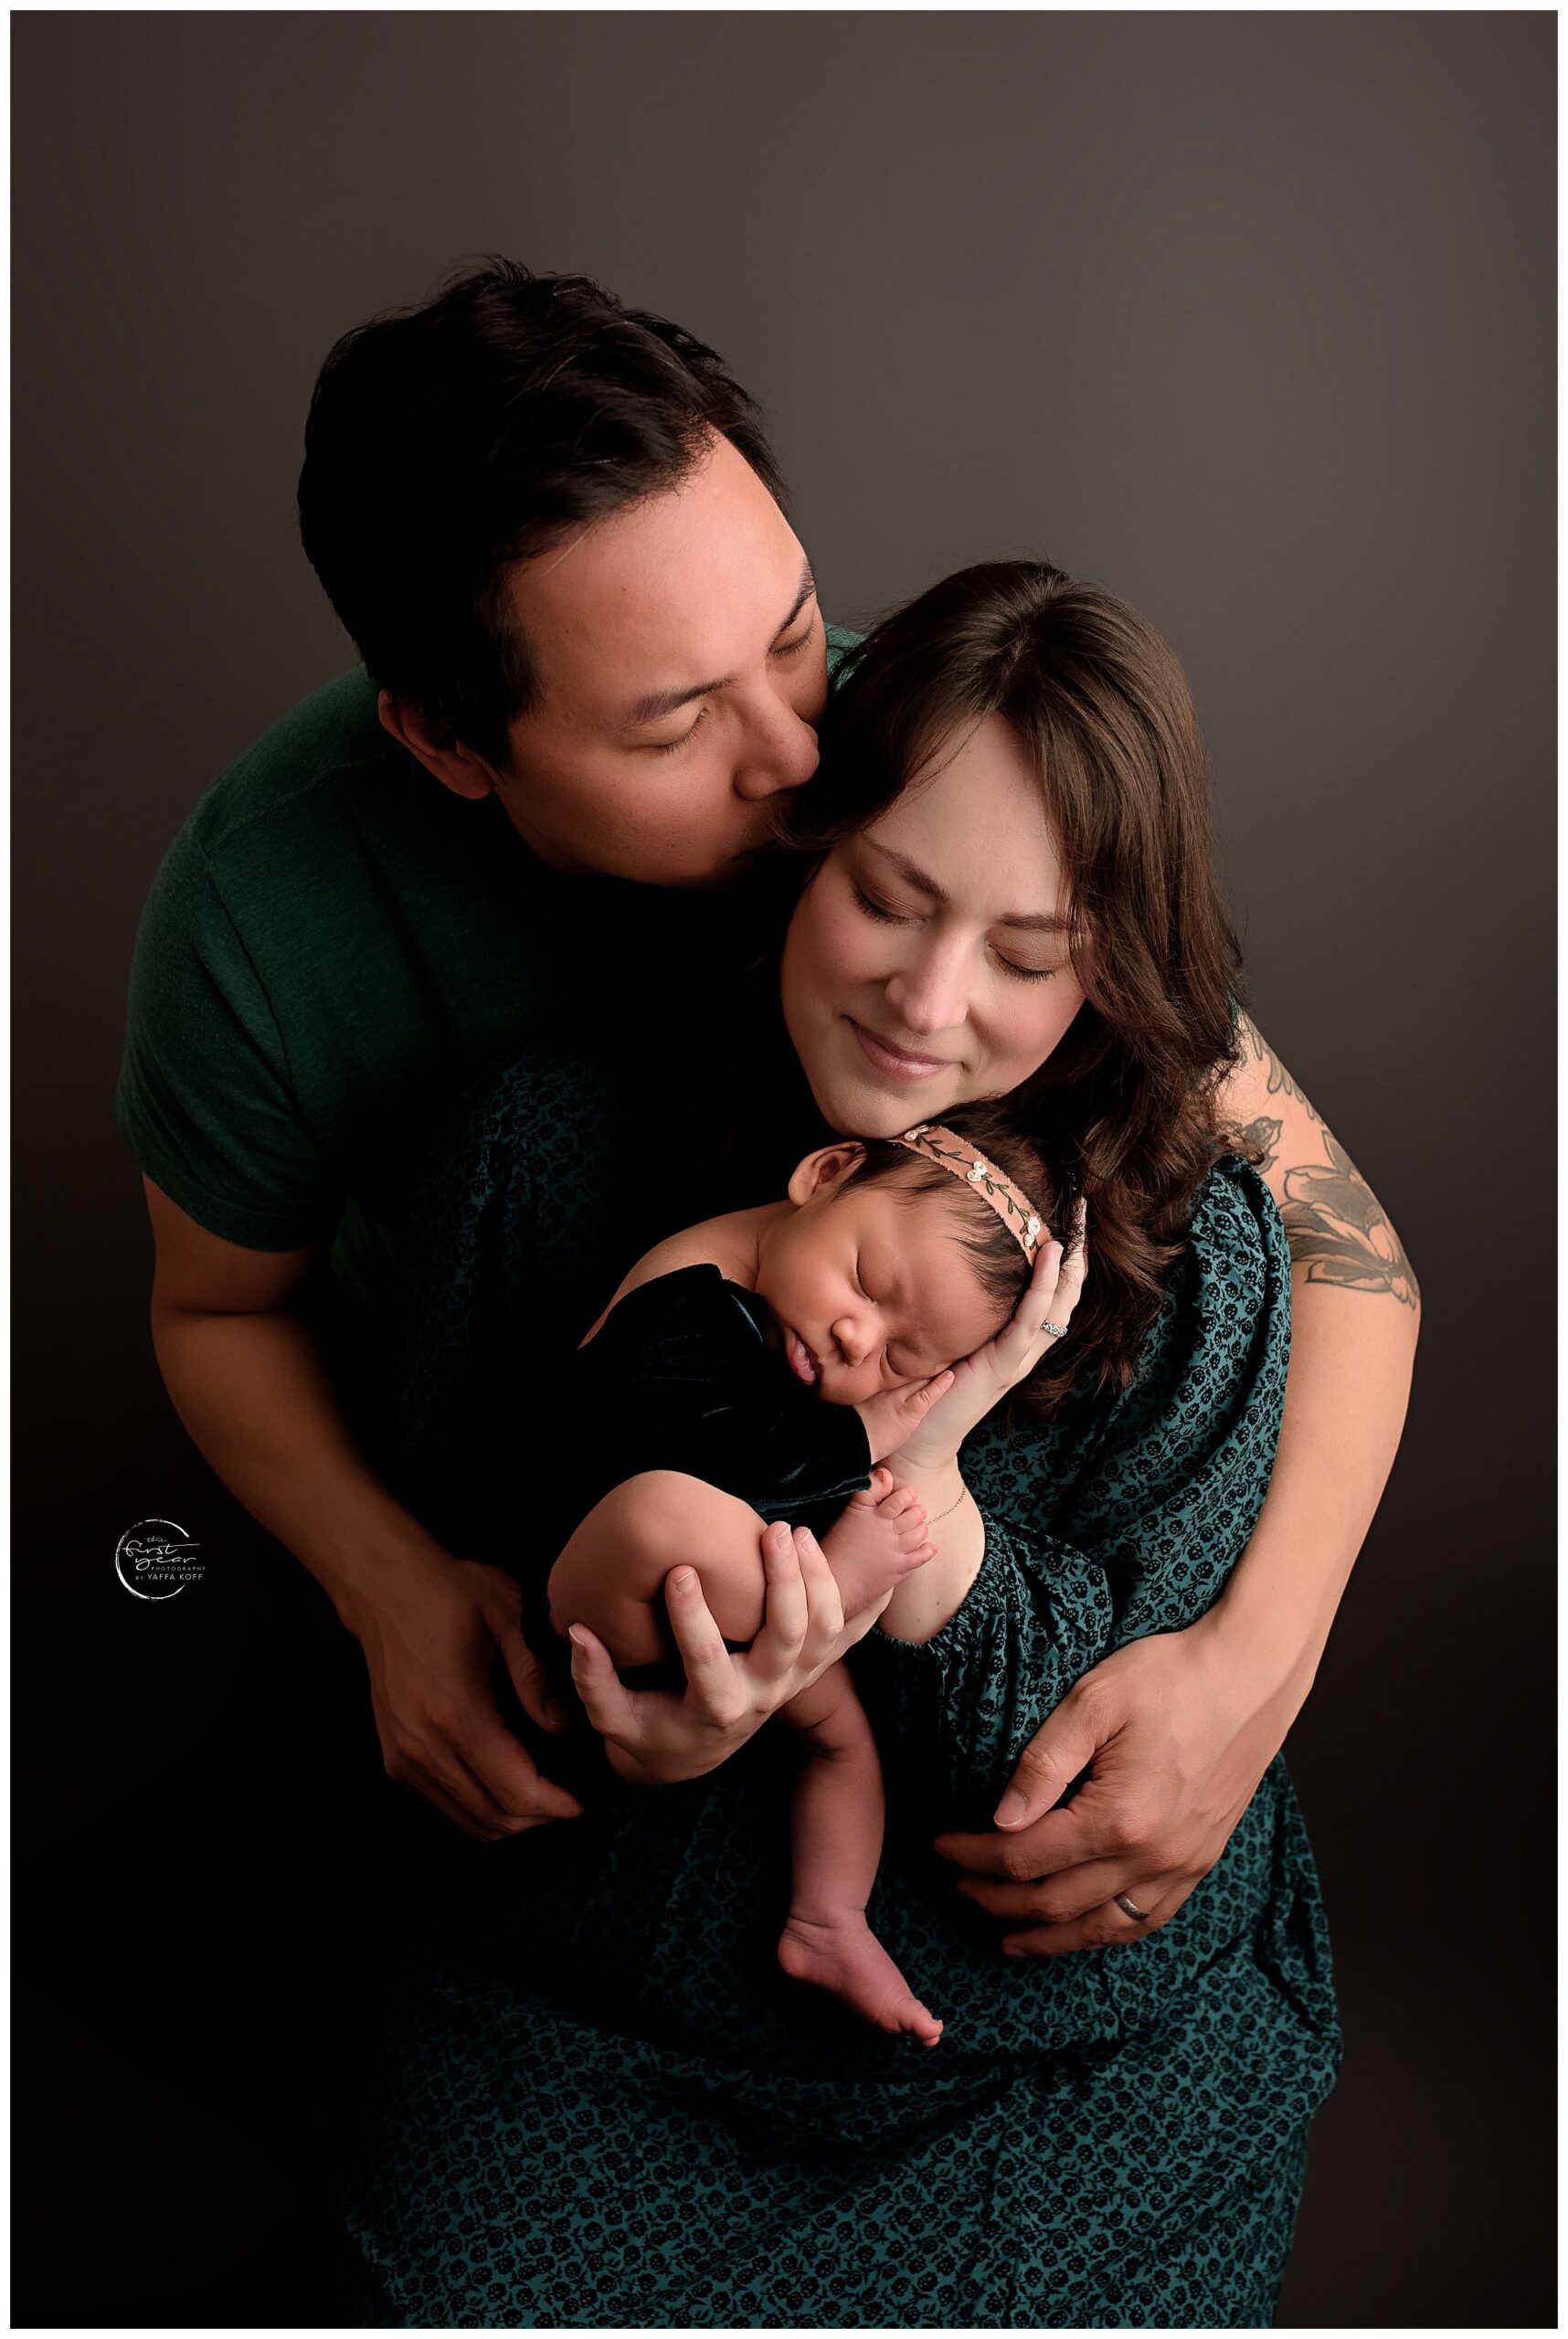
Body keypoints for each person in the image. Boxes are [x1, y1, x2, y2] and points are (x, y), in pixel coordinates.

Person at [341, 558, 1336, 2323]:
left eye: (1028, 958)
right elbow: (464, 1624)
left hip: (1041, 2064)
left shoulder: (1190, 1256)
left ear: (1104, 978)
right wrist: (619, 1719)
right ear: (811, 842)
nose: (929, 1005)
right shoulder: (542, 1149)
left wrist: (932, 1504)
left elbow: (1089, 1778)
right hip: (598, 2028)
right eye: (888, 896)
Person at [536, 1106, 1084, 2045]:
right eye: (868, 1281)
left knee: (843, 1744)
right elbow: (682, 1437)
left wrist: (976, 1379)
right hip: (586, 1579)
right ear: (825, 1173)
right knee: (662, 1512)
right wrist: (866, 1435)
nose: (853, 1337)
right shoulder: (695, 1279)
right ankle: (833, 1600)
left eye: (901, 1356)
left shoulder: (798, 1308)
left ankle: (827, 1921)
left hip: (738, 1618)